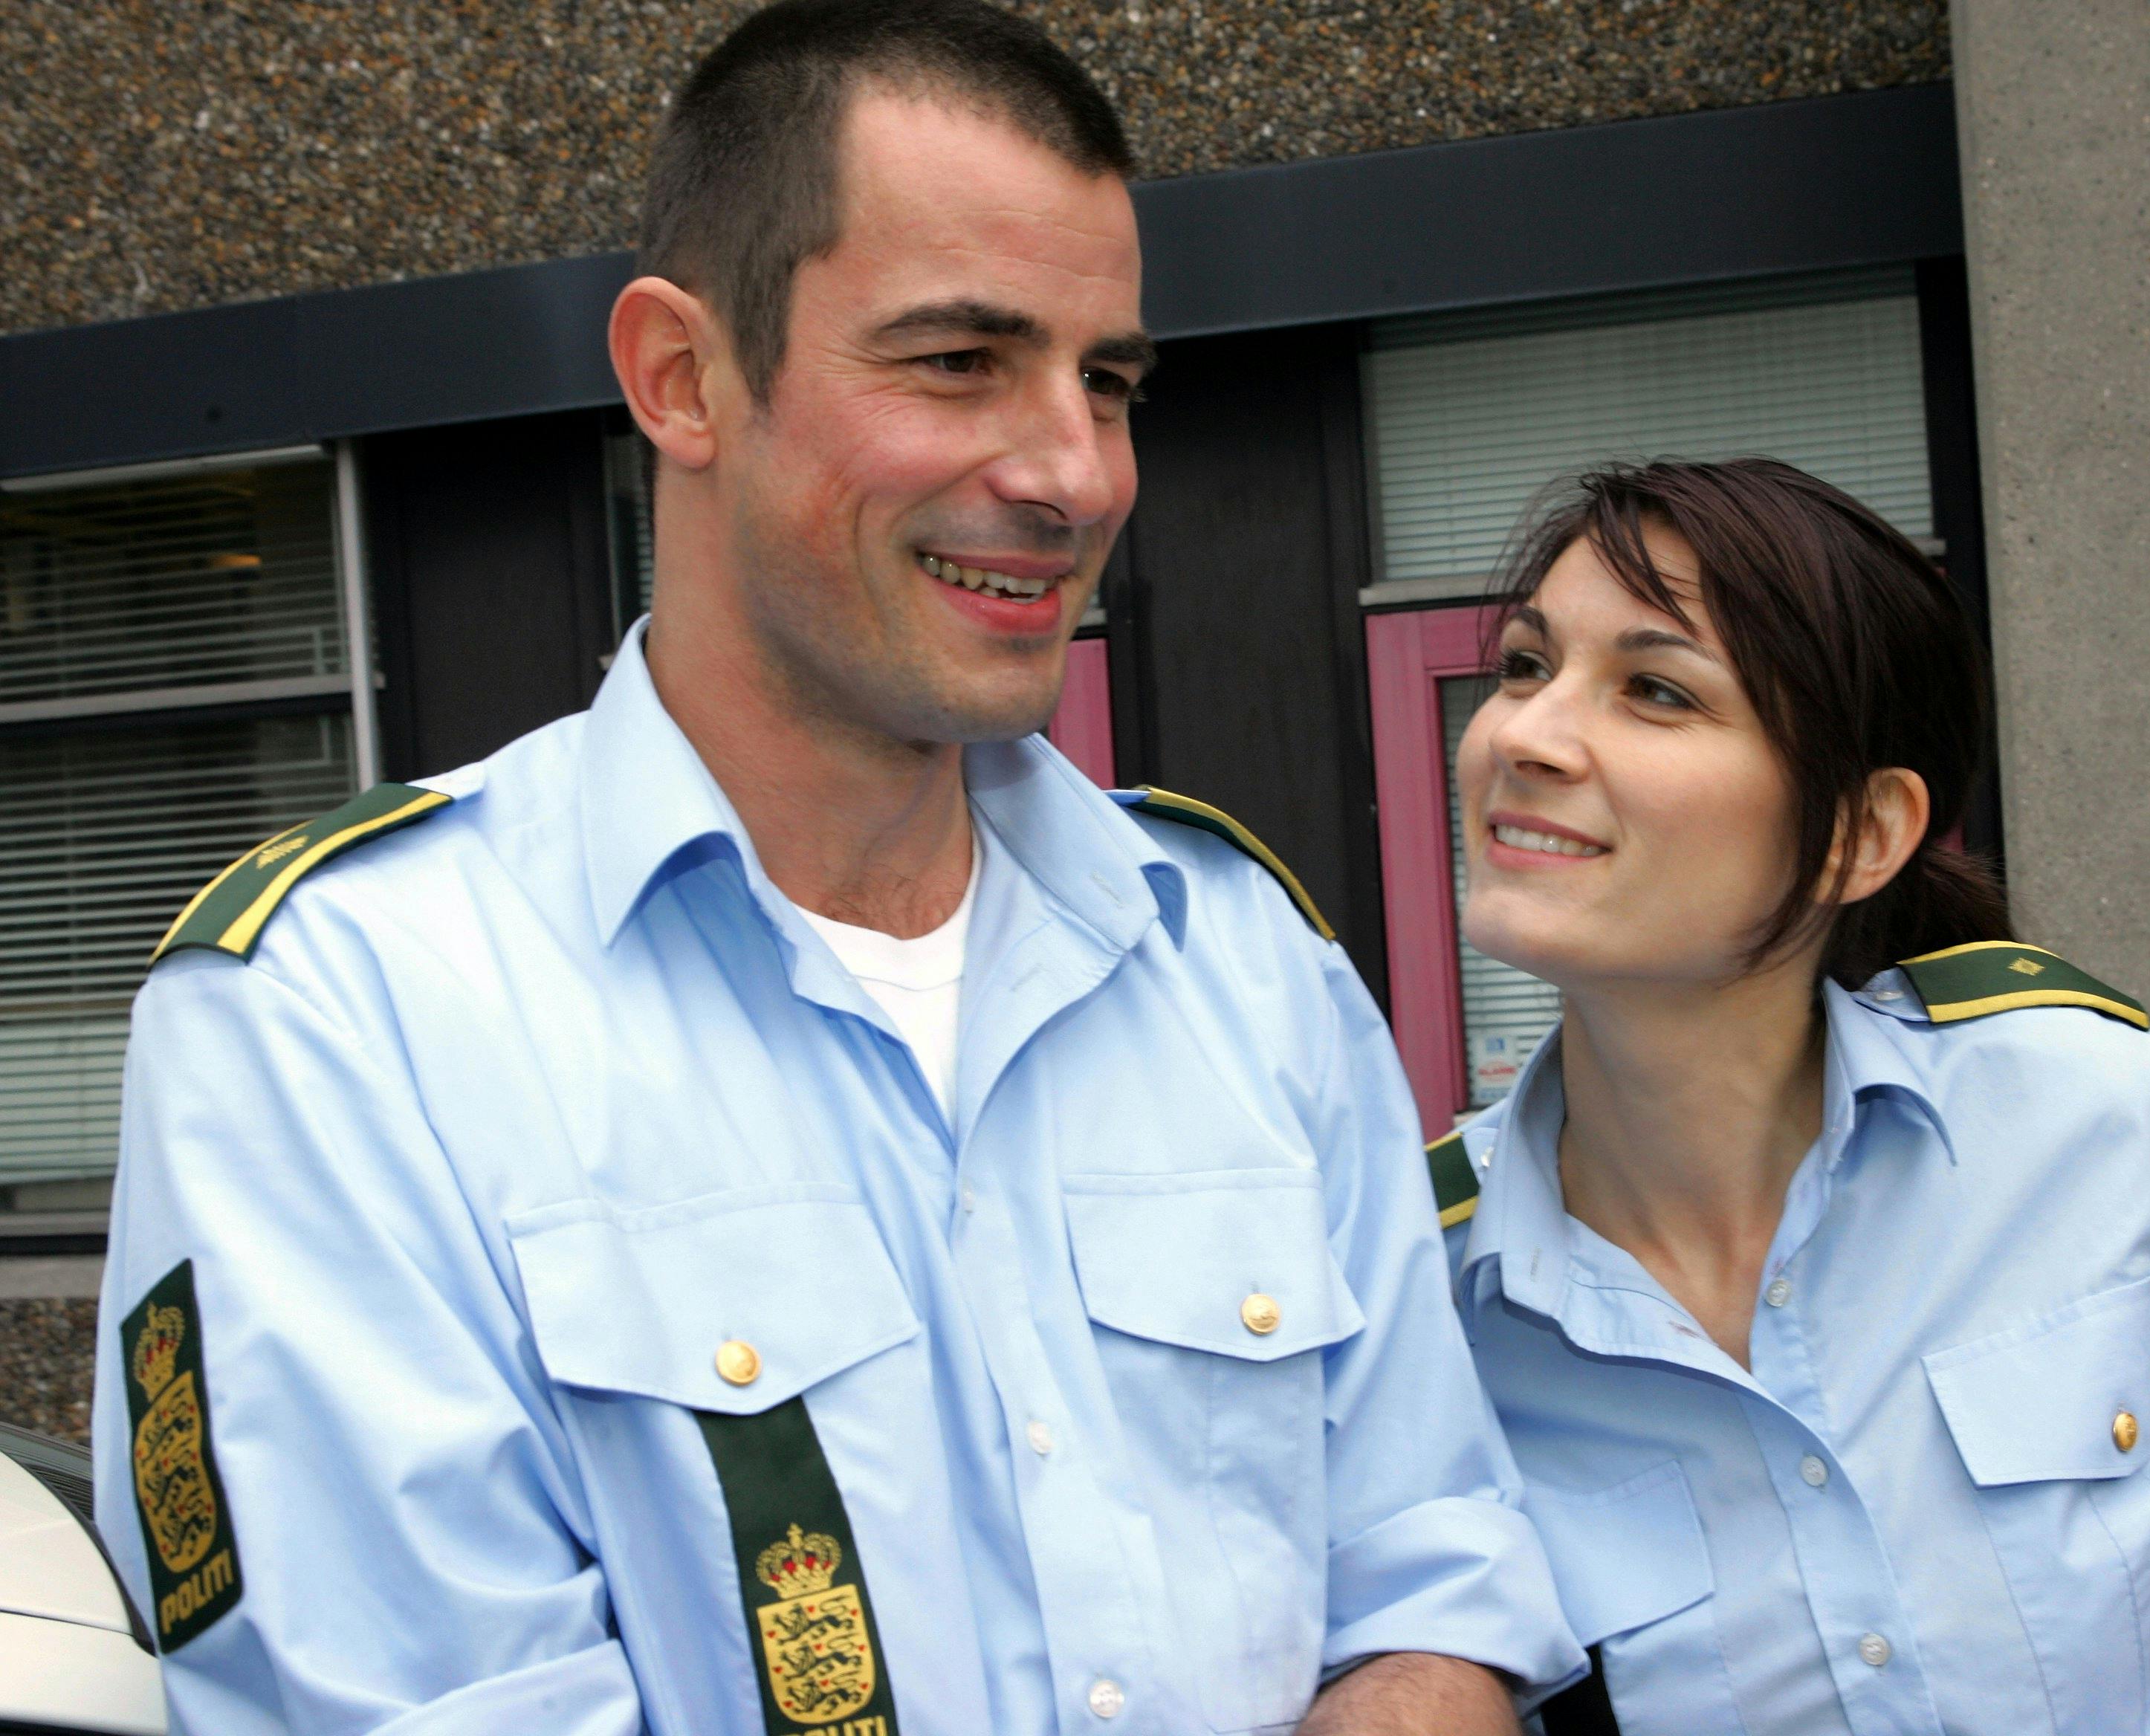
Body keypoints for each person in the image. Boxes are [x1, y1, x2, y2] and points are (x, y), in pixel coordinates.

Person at [90, 3, 1579, 1730]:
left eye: (1107, 380)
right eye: (959, 360)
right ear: (682, 378)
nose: (1075, 473)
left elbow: (1431, 1570)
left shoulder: (1237, 962)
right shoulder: (336, 1020)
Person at [1427, 458, 2150, 1735]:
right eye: (1523, 666)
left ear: (1863, 833)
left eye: (1656, 690)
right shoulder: (1430, 1297)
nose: (1522, 733)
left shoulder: (2078, 1100)